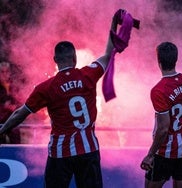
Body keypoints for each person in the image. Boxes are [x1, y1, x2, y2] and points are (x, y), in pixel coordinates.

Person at [0, 15, 117, 187]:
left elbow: (20, 114)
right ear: (75, 58)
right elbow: (108, 55)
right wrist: (114, 24)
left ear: (55, 60)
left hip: (60, 154)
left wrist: (3, 128)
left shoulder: (45, 88)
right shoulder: (88, 74)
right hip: (88, 150)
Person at [140, 42, 182, 188]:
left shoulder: (159, 90)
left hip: (164, 151)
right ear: (176, 60)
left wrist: (150, 155)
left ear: (159, 62)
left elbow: (163, 128)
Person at [0, 61, 22, 144]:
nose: (5, 74)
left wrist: (15, 107)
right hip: (1, 122)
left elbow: (20, 102)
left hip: (13, 121)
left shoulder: (14, 86)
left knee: (16, 146)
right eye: (2, 71)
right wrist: (4, 107)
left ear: (10, 72)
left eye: (7, 71)